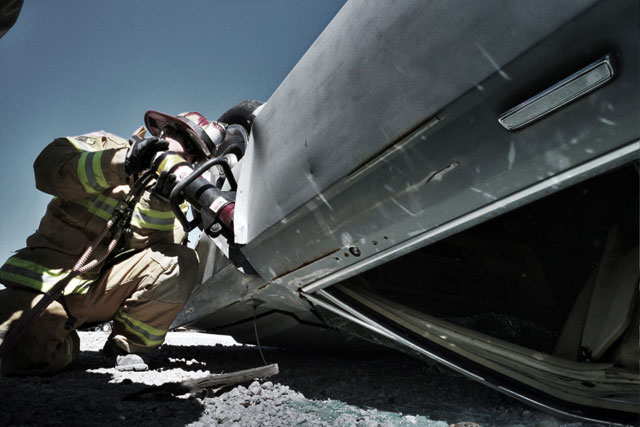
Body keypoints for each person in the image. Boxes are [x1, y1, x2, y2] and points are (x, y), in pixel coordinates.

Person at [0, 107, 245, 375]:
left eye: (195, 155)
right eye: (186, 142)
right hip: (46, 285)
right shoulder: (106, 146)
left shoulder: (175, 201)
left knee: (180, 260)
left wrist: (159, 203)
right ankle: (64, 343)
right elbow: (48, 168)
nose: (187, 156)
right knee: (23, 353)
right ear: (164, 132)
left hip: (102, 294)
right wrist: (122, 164)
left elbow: (157, 260)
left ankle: (129, 347)